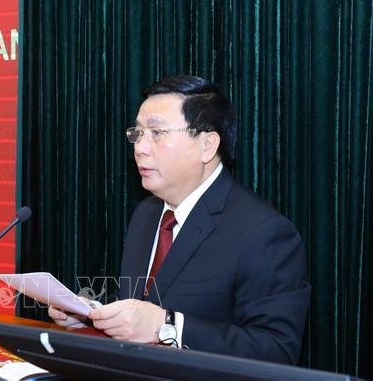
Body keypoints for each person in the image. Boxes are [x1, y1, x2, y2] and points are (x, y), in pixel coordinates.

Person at [49, 75, 310, 365]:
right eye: (137, 133)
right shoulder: (147, 214)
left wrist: (168, 325)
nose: (140, 148)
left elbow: (276, 351)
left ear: (207, 145)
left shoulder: (263, 232)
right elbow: (141, 304)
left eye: (157, 133)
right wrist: (90, 315)